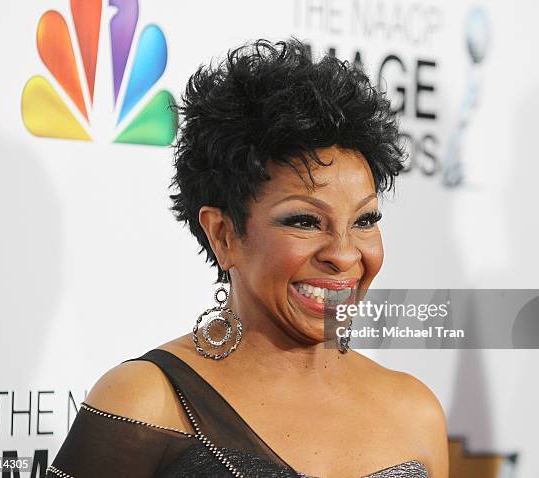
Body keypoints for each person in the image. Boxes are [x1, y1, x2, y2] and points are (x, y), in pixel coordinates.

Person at [47, 38, 449, 478]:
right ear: (224, 234)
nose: (344, 253)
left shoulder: (416, 412)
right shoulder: (145, 403)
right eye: (305, 221)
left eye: (365, 219)